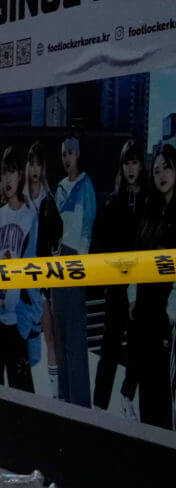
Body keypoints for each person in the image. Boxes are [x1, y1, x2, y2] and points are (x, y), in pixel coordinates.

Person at [0, 146, 40, 391]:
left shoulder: (30, 217)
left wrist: (30, 321)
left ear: (20, 176)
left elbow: (37, 271)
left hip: (18, 322)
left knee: (23, 393)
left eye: (12, 171)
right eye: (4, 172)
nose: (7, 178)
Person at [93, 139, 145, 411]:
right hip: (116, 287)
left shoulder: (150, 201)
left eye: (135, 162)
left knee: (137, 349)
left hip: (143, 287)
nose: (131, 168)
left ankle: (128, 400)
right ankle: (98, 405)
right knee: (110, 347)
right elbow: (99, 245)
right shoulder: (113, 202)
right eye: (127, 162)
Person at [129, 142, 176, 430]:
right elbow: (137, 257)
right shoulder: (151, 210)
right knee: (147, 392)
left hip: (166, 317)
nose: (161, 175)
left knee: (163, 392)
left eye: (167, 168)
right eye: (156, 169)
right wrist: (133, 294)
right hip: (146, 312)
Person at [50, 136, 97, 405]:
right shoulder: (59, 188)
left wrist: (82, 267)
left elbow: (87, 229)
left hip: (76, 262)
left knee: (75, 338)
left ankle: (80, 401)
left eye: (70, 152)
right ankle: (66, 398)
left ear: (78, 154)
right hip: (57, 262)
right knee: (60, 331)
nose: (67, 158)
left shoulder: (85, 186)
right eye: (63, 154)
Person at [25, 141, 65, 393]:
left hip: (44, 277)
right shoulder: (20, 198)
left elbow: (58, 237)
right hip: (22, 275)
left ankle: (53, 389)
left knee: (49, 335)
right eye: (33, 164)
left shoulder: (50, 201)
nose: (36, 169)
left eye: (40, 165)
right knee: (24, 337)